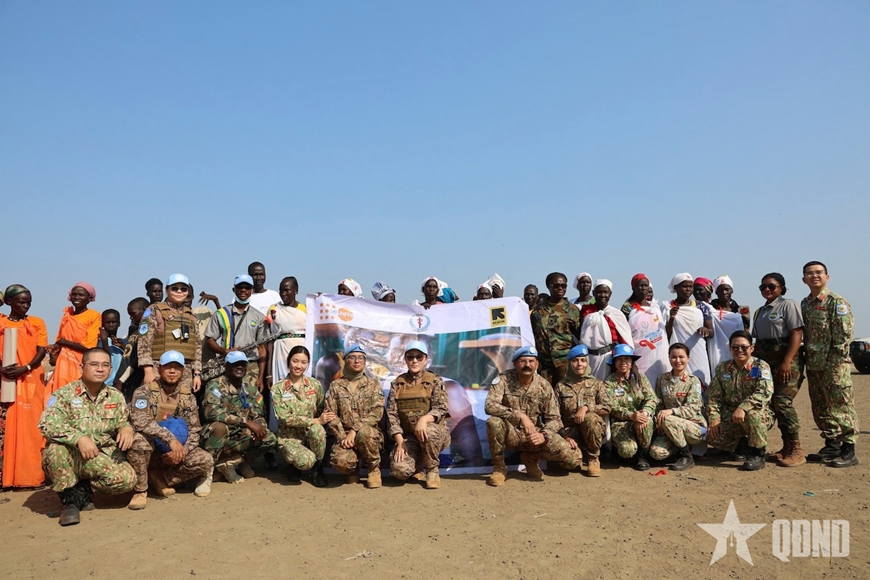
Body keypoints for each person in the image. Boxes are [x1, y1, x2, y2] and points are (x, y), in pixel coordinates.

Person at [39, 348, 136, 526]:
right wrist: (79, 438)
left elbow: (122, 420)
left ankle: (83, 489)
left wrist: (126, 428)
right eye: (94, 364)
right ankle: (70, 501)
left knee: (127, 480)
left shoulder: (115, 396)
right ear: (81, 367)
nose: (100, 369)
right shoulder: (64, 394)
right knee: (55, 450)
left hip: (100, 455)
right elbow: (47, 424)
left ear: (110, 369)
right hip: (71, 455)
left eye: (105, 365)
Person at [126, 351, 214, 509]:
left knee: (205, 460)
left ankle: (161, 478)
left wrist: (181, 452)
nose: (172, 371)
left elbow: (194, 430)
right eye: (167, 367)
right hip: (151, 449)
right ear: (159, 369)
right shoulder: (143, 392)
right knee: (139, 442)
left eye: (177, 367)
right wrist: (170, 439)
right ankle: (140, 490)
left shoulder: (188, 397)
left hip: (174, 452)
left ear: (183, 371)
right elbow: (140, 420)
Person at [484, 346, 581, 487]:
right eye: (523, 361)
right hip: (511, 432)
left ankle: (530, 458)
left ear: (537, 364)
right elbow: (489, 406)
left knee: (573, 458)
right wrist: (520, 415)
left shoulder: (544, 386)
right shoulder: (503, 380)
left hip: (534, 436)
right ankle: (499, 468)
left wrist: (544, 435)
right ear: (515, 363)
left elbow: (555, 419)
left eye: (531, 361)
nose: (527, 365)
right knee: (494, 422)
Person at [800, 261, 858, 468]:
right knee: (821, 406)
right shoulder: (805, 304)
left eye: (819, 272)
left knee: (841, 406)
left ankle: (849, 450)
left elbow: (844, 335)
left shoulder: (836, 302)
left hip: (833, 365)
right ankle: (832, 445)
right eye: (810, 273)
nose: (814, 276)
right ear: (804, 279)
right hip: (814, 364)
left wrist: (835, 363)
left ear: (827, 277)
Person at [752, 272, 806, 467]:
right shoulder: (759, 312)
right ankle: (786, 447)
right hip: (766, 364)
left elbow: (797, 333)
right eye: (763, 287)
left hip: (787, 362)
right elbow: (758, 343)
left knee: (783, 402)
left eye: (772, 286)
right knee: (773, 404)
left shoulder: (788, 305)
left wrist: (787, 362)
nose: (767, 289)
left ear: (781, 288)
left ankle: (797, 450)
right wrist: (755, 371)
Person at [201, 351, 278, 482]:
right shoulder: (215, 386)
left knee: (269, 438)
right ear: (226, 366)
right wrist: (245, 422)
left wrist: (259, 428)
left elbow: (259, 415)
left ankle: (235, 461)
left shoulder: (251, 389)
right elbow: (211, 412)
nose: (239, 367)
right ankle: (209, 470)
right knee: (220, 428)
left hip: (239, 436)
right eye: (235, 364)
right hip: (218, 437)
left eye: (242, 364)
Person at [0, 284, 48, 488]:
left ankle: (31, 477)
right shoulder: (1, 322)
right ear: (10, 302)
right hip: (5, 380)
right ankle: (7, 478)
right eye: (21, 302)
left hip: (30, 379)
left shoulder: (36, 323)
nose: (26, 306)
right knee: (7, 427)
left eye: (28, 302)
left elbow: (41, 351)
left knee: (31, 430)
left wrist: (25, 368)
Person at [706, 330, 774, 471]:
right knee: (710, 434)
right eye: (735, 347)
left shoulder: (761, 366)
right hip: (730, 414)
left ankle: (757, 454)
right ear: (730, 349)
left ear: (751, 348)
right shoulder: (723, 368)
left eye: (744, 347)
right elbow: (714, 397)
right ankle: (740, 446)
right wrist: (714, 419)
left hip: (757, 412)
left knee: (753, 415)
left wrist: (743, 407)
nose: (740, 350)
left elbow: (764, 392)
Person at [386, 341, 450, 489]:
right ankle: (417, 465)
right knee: (399, 471)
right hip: (409, 437)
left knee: (428, 430)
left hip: (434, 434)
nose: (415, 361)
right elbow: (392, 416)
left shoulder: (435, 380)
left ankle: (432, 470)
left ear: (425, 359)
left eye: (419, 357)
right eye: (410, 357)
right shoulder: (397, 384)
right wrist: (400, 442)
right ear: (405, 359)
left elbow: (441, 408)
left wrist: (424, 419)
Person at [271, 346, 333, 487]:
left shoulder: (315, 385)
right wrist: (315, 420)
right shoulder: (278, 388)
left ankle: (318, 469)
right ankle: (293, 466)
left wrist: (321, 420)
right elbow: (283, 417)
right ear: (289, 361)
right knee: (305, 461)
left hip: (309, 435)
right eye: (295, 361)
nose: (299, 366)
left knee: (318, 430)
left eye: (303, 362)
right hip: (290, 438)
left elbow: (321, 408)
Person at [325, 344, 385, 488]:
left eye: (360, 358)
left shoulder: (373, 384)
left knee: (364, 433)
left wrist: (355, 430)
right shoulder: (336, 385)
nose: (357, 361)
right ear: (346, 361)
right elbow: (331, 414)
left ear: (364, 361)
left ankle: (373, 470)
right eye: (352, 357)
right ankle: (352, 470)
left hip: (368, 434)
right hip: (345, 435)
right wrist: (343, 437)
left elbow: (377, 412)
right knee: (340, 461)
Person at [138, 274, 203, 394]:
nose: (179, 291)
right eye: (175, 288)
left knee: (183, 403)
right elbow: (144, 341)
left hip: (185, 373)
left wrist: (197, 374)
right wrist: (148, 370)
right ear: (167, 290)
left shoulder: (191, 315)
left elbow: (197, 346)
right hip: (159, 370)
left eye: (183, 289)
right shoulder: (154, 310)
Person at [649, 343, 707, 471]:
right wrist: (658, 421)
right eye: (674, 357)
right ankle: (677, 449)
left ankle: (686, 457)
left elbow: (693, 408)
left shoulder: (693, 381)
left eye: (681, 357)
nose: (678, 360)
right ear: (669, 358)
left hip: (693, 426)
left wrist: (671, 411)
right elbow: (658, 404)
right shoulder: (662, 379)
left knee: (668, 419)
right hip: (669, 427)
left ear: (688, 358)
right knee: (656, 453)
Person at [556, 345, 611, 477]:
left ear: (587, 362)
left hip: (591, 431)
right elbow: (554, 415)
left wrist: (587, 408)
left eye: (583, 360)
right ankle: (579, 455)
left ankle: (593, 458)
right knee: (569, 462)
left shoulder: (596, 383)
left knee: (590, 418)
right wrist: (565, 436)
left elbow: (607, 406)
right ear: (570, 363)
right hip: (570, 433)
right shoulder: (561, 386)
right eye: (575, 361)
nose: (579, 364)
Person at [205, 275, 267, 391]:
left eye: (247, 287)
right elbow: (210, 341)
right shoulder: (221, 313)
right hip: (227, 364)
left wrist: (261, 377)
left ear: (252, 290)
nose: (243, 290)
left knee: (250, 400)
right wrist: (224, 351)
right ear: (234, 290)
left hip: (250, 367)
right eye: (240, 287)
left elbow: (262, 349)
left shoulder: (259, 317)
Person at [604, 345, 657, 471]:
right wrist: (631, 415)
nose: (623, 362)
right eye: (619, 359)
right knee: (627, 450)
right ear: (614, 362)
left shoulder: (640, 378)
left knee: (646, 421)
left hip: (641, 420)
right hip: (621, 424)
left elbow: (651, 398)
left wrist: (645, 413)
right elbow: (611, 406)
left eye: (627, 359)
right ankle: (629, 453)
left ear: (632, 361)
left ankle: (643, 455)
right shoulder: (609, 382)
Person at [46, 282, 102, 399]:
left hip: (80, 363)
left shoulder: (94, 316)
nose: (77, 297)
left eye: (81, 295)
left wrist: (65, 343)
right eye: (74, 294)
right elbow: (60, 339)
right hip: (63, 363)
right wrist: (54, 348)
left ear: (89, 298)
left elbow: (89, 346)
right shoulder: (67, 315)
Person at [531, 272, 582, 386]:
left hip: (564, 362)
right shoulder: (538, 310)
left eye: (563, 286)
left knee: (565, 393)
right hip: (543, 363)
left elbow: (579, 336)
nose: (560, 288)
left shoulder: (573, 310)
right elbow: (532, 332)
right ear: (548, 286)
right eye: (556, 286)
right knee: (544, 393)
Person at [579, 279, 633, 381]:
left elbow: (625, 339)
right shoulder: (586, 311)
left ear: (610, 294)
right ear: (593, 293)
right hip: (589, 358)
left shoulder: (616, 314)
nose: (602, 295)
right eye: (599, 292)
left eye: (605, 292)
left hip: (608, 358)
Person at [664, 273, 713, 386]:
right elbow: (666, 335)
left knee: (701, 382)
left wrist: (705, 330)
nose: (688, 290)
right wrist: (672, 318)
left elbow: (711, 332)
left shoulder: (701, 306)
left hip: (698, 352)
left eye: (691, 287)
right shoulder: (668, 307)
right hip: (678, 353)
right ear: (676, 288)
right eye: (684, 286)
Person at [620, 273, 669, 385]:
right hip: (640, 356)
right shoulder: (627, 308)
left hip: (659, 356)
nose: (643, 288)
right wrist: (632, 364)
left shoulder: (654, 307)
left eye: (646, 285)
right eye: (640, 285)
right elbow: (624, 335)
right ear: (633, 288)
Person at [265, 277, 307, 388]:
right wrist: (268, 374)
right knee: (282, 388)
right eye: (281, 290)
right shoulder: (274, 309)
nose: (283, 294)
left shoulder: (306, 309)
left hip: (301, 353)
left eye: (287, 290)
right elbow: (269, 341)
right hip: (280, 354)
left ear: (296, 290)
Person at [113, 297, 149, 401]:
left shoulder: (148, 332)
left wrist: (121, 380)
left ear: (145, 309)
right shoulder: (136, 331)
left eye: (133, 314)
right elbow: (131, 354)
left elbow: (137, 358)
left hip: (134, 379)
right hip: (126, 381)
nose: (131, 318)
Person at [97, 309, 125, 387]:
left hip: (119, 384)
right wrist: (104, 341)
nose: (111, 325)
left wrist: (122, 346)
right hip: (104, 383)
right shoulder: (98, 342)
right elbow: (106, 360)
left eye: (114, 322)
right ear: (102, 324)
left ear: (119, 323)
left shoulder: (124, 342)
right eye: (107, 322)